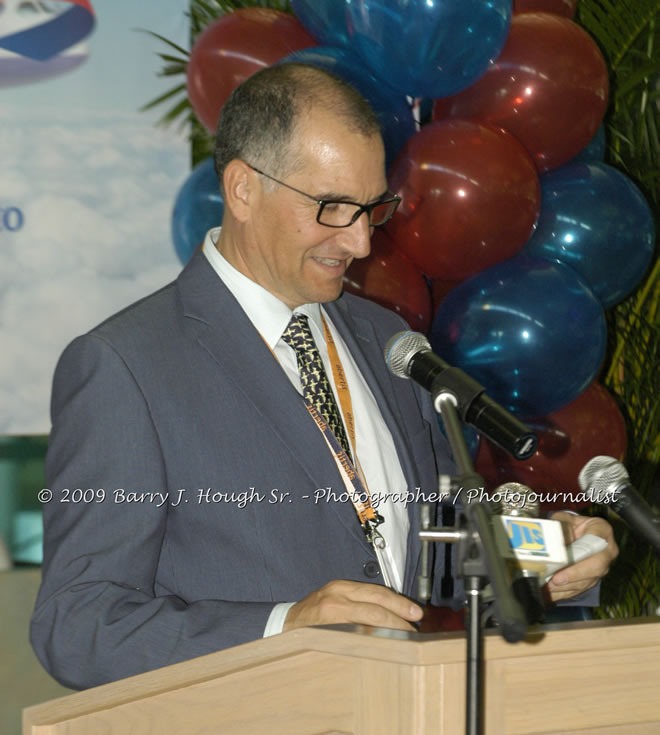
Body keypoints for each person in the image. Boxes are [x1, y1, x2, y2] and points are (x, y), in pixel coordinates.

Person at [30, 64, 617, 689]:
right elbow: (76, 624)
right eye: (333, 207)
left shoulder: (388, 339)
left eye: (373, 208)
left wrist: (541, 556)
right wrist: (283, 628)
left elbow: (430, 548)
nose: (361, 243)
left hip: (405, 721)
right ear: (242, 189)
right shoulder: (126, 367)